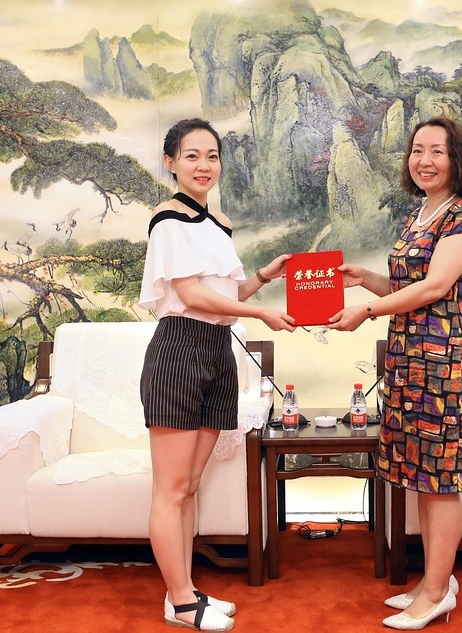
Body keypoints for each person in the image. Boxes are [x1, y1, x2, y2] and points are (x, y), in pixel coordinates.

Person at [139, 118, 296, 631]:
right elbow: (191, 297)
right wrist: (262, 315)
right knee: (172, 488)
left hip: (217, 351)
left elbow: (224, 297)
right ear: (171, 163)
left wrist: (264, 277)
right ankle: (182, 600)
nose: (204, 165)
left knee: (190, 486)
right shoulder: (168, 219)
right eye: (191, 156)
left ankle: (181, 592)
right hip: (179, 352)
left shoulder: (218, 223)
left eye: (212, 156)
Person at [328, 116, 462, 630]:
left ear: (456, 159)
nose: (424, 160)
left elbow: (435, 287)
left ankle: (437, 592)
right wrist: (364, 279)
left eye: (437, 151)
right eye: (418, 150)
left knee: (440, 478)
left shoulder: (461, 217)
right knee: (422, 474)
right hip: (408, 360)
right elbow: (406, 286)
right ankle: (433, 582)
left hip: (442, 364)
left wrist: (367, 311)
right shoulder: (421, 214)